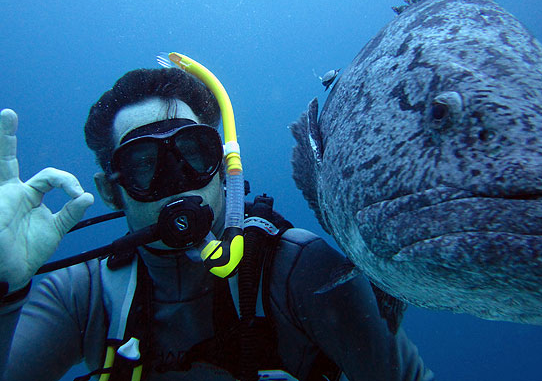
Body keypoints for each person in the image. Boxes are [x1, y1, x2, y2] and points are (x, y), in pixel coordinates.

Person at [0, 65, 435, 381]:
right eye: (144, 164)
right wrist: (5, 285)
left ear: (225, 167)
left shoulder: (299, 271)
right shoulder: (83, 294)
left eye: (193, 153)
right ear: (111, 189)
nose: (175, 182)